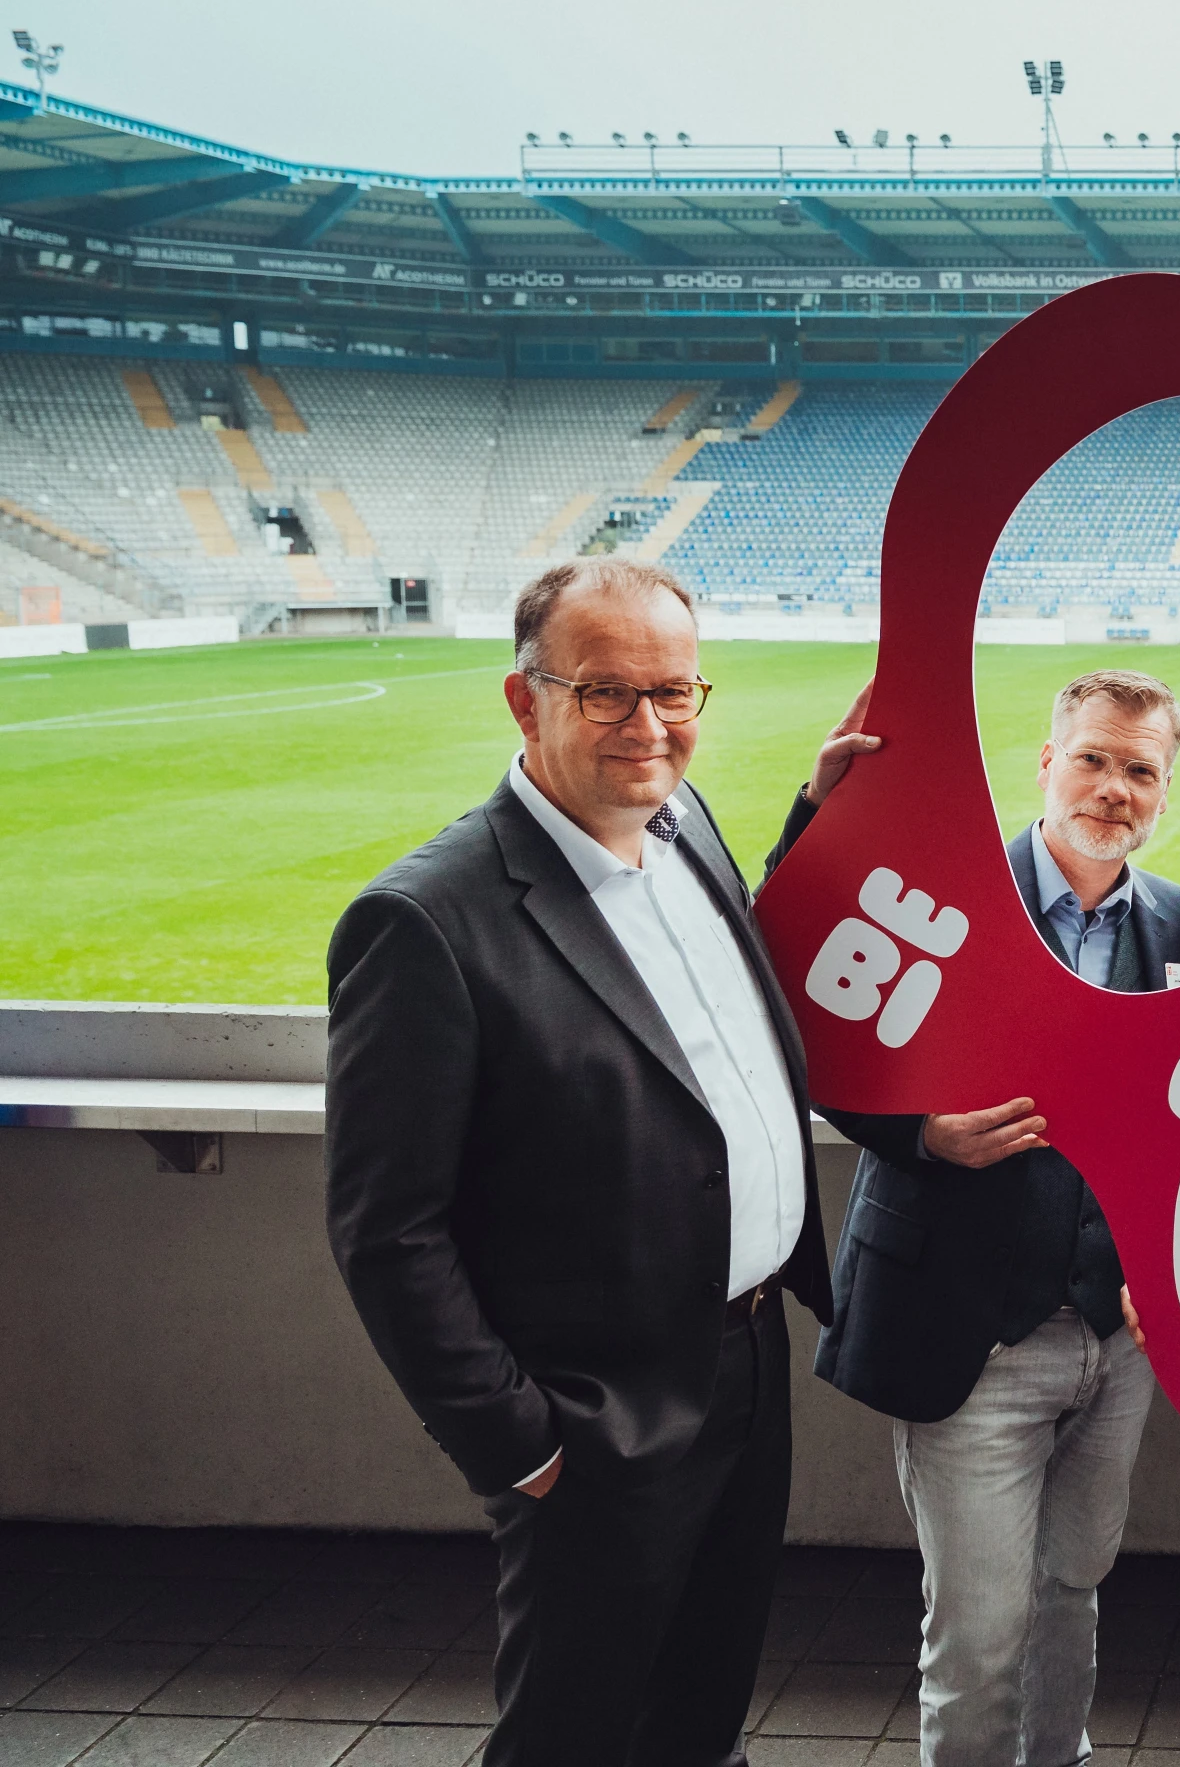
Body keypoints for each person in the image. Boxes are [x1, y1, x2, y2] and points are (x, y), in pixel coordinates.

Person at [324, 558, 832, 1767]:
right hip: (594, 1414)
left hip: (747, 1362)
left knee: (702, 1710)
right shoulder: (427, 921)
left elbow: (703, 1026)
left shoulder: (686, 823)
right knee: (574, 1730)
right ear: (523, 700)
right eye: (605, 692)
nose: (649, 726)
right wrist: (521, 1444)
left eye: (674, 690)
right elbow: (387, 1228)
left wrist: (817, 815)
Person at [775, 670, 1180, 1767]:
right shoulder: (942, 892)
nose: (1113, 787)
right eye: (1094, 758)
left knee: (1072, 1594)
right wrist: (923, 1131)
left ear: (1166, 790)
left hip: (1114, 1334)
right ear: (1045, 762)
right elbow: (806, 1013)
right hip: (971, 1328)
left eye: (1140, 769)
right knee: (978, 1631)